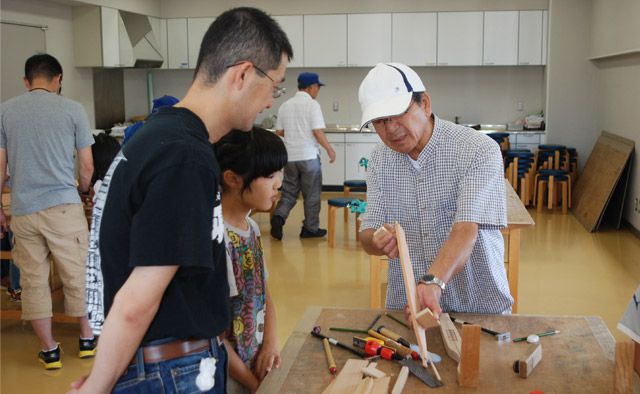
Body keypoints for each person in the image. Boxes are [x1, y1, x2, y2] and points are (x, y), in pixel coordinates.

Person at [72, 7, 292, 393]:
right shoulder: (184, 156)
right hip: (171, 372)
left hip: (158, 364)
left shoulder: (159, 137)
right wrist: (97, 387)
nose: (271, 101)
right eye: (274, 86)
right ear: (242, 74)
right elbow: (138, 299)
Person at [357, 63, 512, 318]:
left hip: (477, 307)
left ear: (425, 104)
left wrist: (434, 281)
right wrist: (376, 240)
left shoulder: (477, 150)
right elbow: (367, 232)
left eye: (398, 114)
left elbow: (466, 229)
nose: (390, 128)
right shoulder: (379, 161)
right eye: (379, 122)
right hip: (410, 309)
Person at [0, 53, 96, 369]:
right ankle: (85, 340)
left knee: (34, 281)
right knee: (77, 273)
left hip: (24, 210)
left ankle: (50, 349)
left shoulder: (5, 111)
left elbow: (0, 168)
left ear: (27, 82)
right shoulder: (73, 110)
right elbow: (86, 165)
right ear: (58, 80)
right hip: (64, 207)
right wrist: (83, 191)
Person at [214, 128, 287, 393]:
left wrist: (270, 343)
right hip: (231, 376)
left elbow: (264, 294)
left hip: (254, 366)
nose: (278, 183)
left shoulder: (251, 228)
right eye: (269, 175)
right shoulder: (218, 239)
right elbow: (216, 337)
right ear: (232, 178)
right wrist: (252, 384)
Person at [270, 72, 335, 240]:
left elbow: (279, 132)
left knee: (289, 192)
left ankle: (279, 217)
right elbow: (317, 131)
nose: (317, 91)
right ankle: (310, 229)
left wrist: (294, 134)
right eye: (317, 87)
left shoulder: (285, 105)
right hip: (309, 157)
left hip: (290, 158)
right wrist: (329, 149)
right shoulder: (312, 105)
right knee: (312, 194)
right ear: (311, 87)